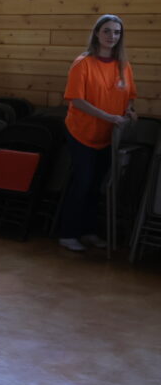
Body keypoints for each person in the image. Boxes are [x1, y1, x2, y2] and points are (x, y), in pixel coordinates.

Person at [57, 14, 137, 252]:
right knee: (82, 182)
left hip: (108, 135)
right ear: (97, 34)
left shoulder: (123, 65)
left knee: (96, 185)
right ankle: (67, 233)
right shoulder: (83, 63)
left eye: (117, 32)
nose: (112, 36)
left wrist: (130, 111)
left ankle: (88, 231)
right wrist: (108, 116)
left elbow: (129, 95)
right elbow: (77, 100)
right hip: (82, 132)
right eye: (107, 31)